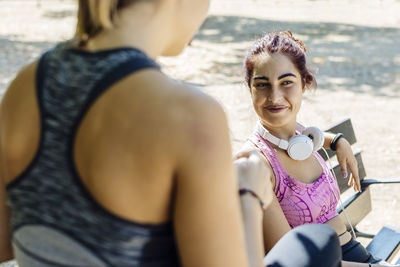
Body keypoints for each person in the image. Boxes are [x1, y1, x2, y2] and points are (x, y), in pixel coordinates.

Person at [0, 1, 341, 266]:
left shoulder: (28, 84)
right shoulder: (188, 114)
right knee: (319, 245)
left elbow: (8, 237)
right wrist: (248, 195)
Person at [240, 30, 400, 267]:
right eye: (262, 85)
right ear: (250, 89)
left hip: (355, 253)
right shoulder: (257, 165)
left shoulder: (302, 139)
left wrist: (337, 141)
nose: (274, 97)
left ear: (304, 84)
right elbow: (294, 261)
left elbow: (307, 137)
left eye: (286, 82)